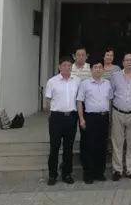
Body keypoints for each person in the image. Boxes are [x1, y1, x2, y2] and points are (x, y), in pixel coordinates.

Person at [45, 57, 80, 185]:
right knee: (54, 147)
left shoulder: (77, 81)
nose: (67, 67)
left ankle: (67, 174)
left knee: (68, 147)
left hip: (71, 117)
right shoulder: (52, 81)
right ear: (59, 67)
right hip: (56, 117)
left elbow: (79, 100)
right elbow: (48, 100)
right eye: (64, 65)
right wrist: (51, 116)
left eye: (69, 65)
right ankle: (52, 175)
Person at [76, 59, 113, 184]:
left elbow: (110, 100)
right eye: (95, 67)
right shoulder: (85, 84)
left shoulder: (107, 83)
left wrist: (110, 118)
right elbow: (79, 102)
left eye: (100, 67)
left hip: (103, 118)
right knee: (88, 146)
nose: (98, 69)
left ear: (103, 69)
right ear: (91, 70)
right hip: (89, 118)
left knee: (101, 146)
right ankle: (88, 173)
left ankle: (99, 172)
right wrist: (81, 119)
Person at [110, 53, 131, 181]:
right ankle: (117, 170)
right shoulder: (115, 76)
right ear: (123, 62)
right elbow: (111, 94)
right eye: (127, 60)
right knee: (117, 142)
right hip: (118, 112)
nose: (129, 62)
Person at [70, 46, 92, 170]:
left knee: (85, 132)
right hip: (71, 104)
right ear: (74, 56)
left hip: (85, 104)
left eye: (83, 55)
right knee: (70, 133)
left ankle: (84, 159)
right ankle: (68, 159)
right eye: (78, 55)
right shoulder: (69, 68)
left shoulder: (90, 69)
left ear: (86, 56)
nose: (81, 57)